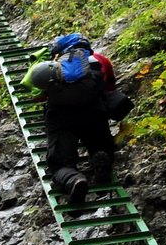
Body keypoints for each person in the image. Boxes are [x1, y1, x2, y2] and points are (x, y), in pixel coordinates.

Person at [21, 33, 129, 204]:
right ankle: (100, 156)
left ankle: (74, 179)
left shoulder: (52, 67)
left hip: (61, 117)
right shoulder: (99, 60)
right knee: (100, 143)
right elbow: (109, 87)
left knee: (59, 162)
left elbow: (39, 96)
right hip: (94, 112)